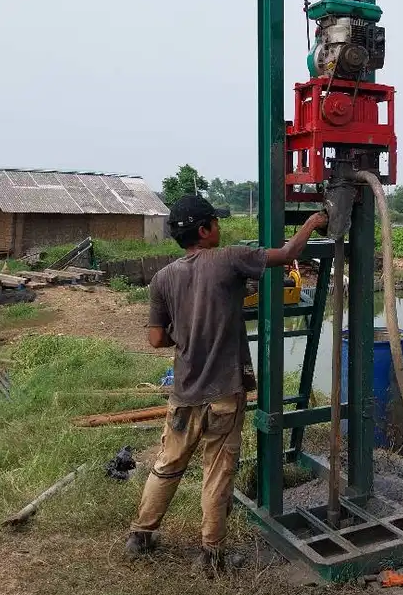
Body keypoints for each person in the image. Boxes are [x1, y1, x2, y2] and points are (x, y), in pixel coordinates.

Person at [125, 194, 326, 570]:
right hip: (224, 394)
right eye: (215, 222)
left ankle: (140, 534)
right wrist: (313, 224)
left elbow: (155, 338)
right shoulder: (230, 259)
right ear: (204, 231)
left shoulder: (163, 278)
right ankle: (211, 553)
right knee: (217, 471)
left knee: (168, 463)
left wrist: (184, 334)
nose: (220, 227)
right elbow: (287, 255)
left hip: (184, 393)